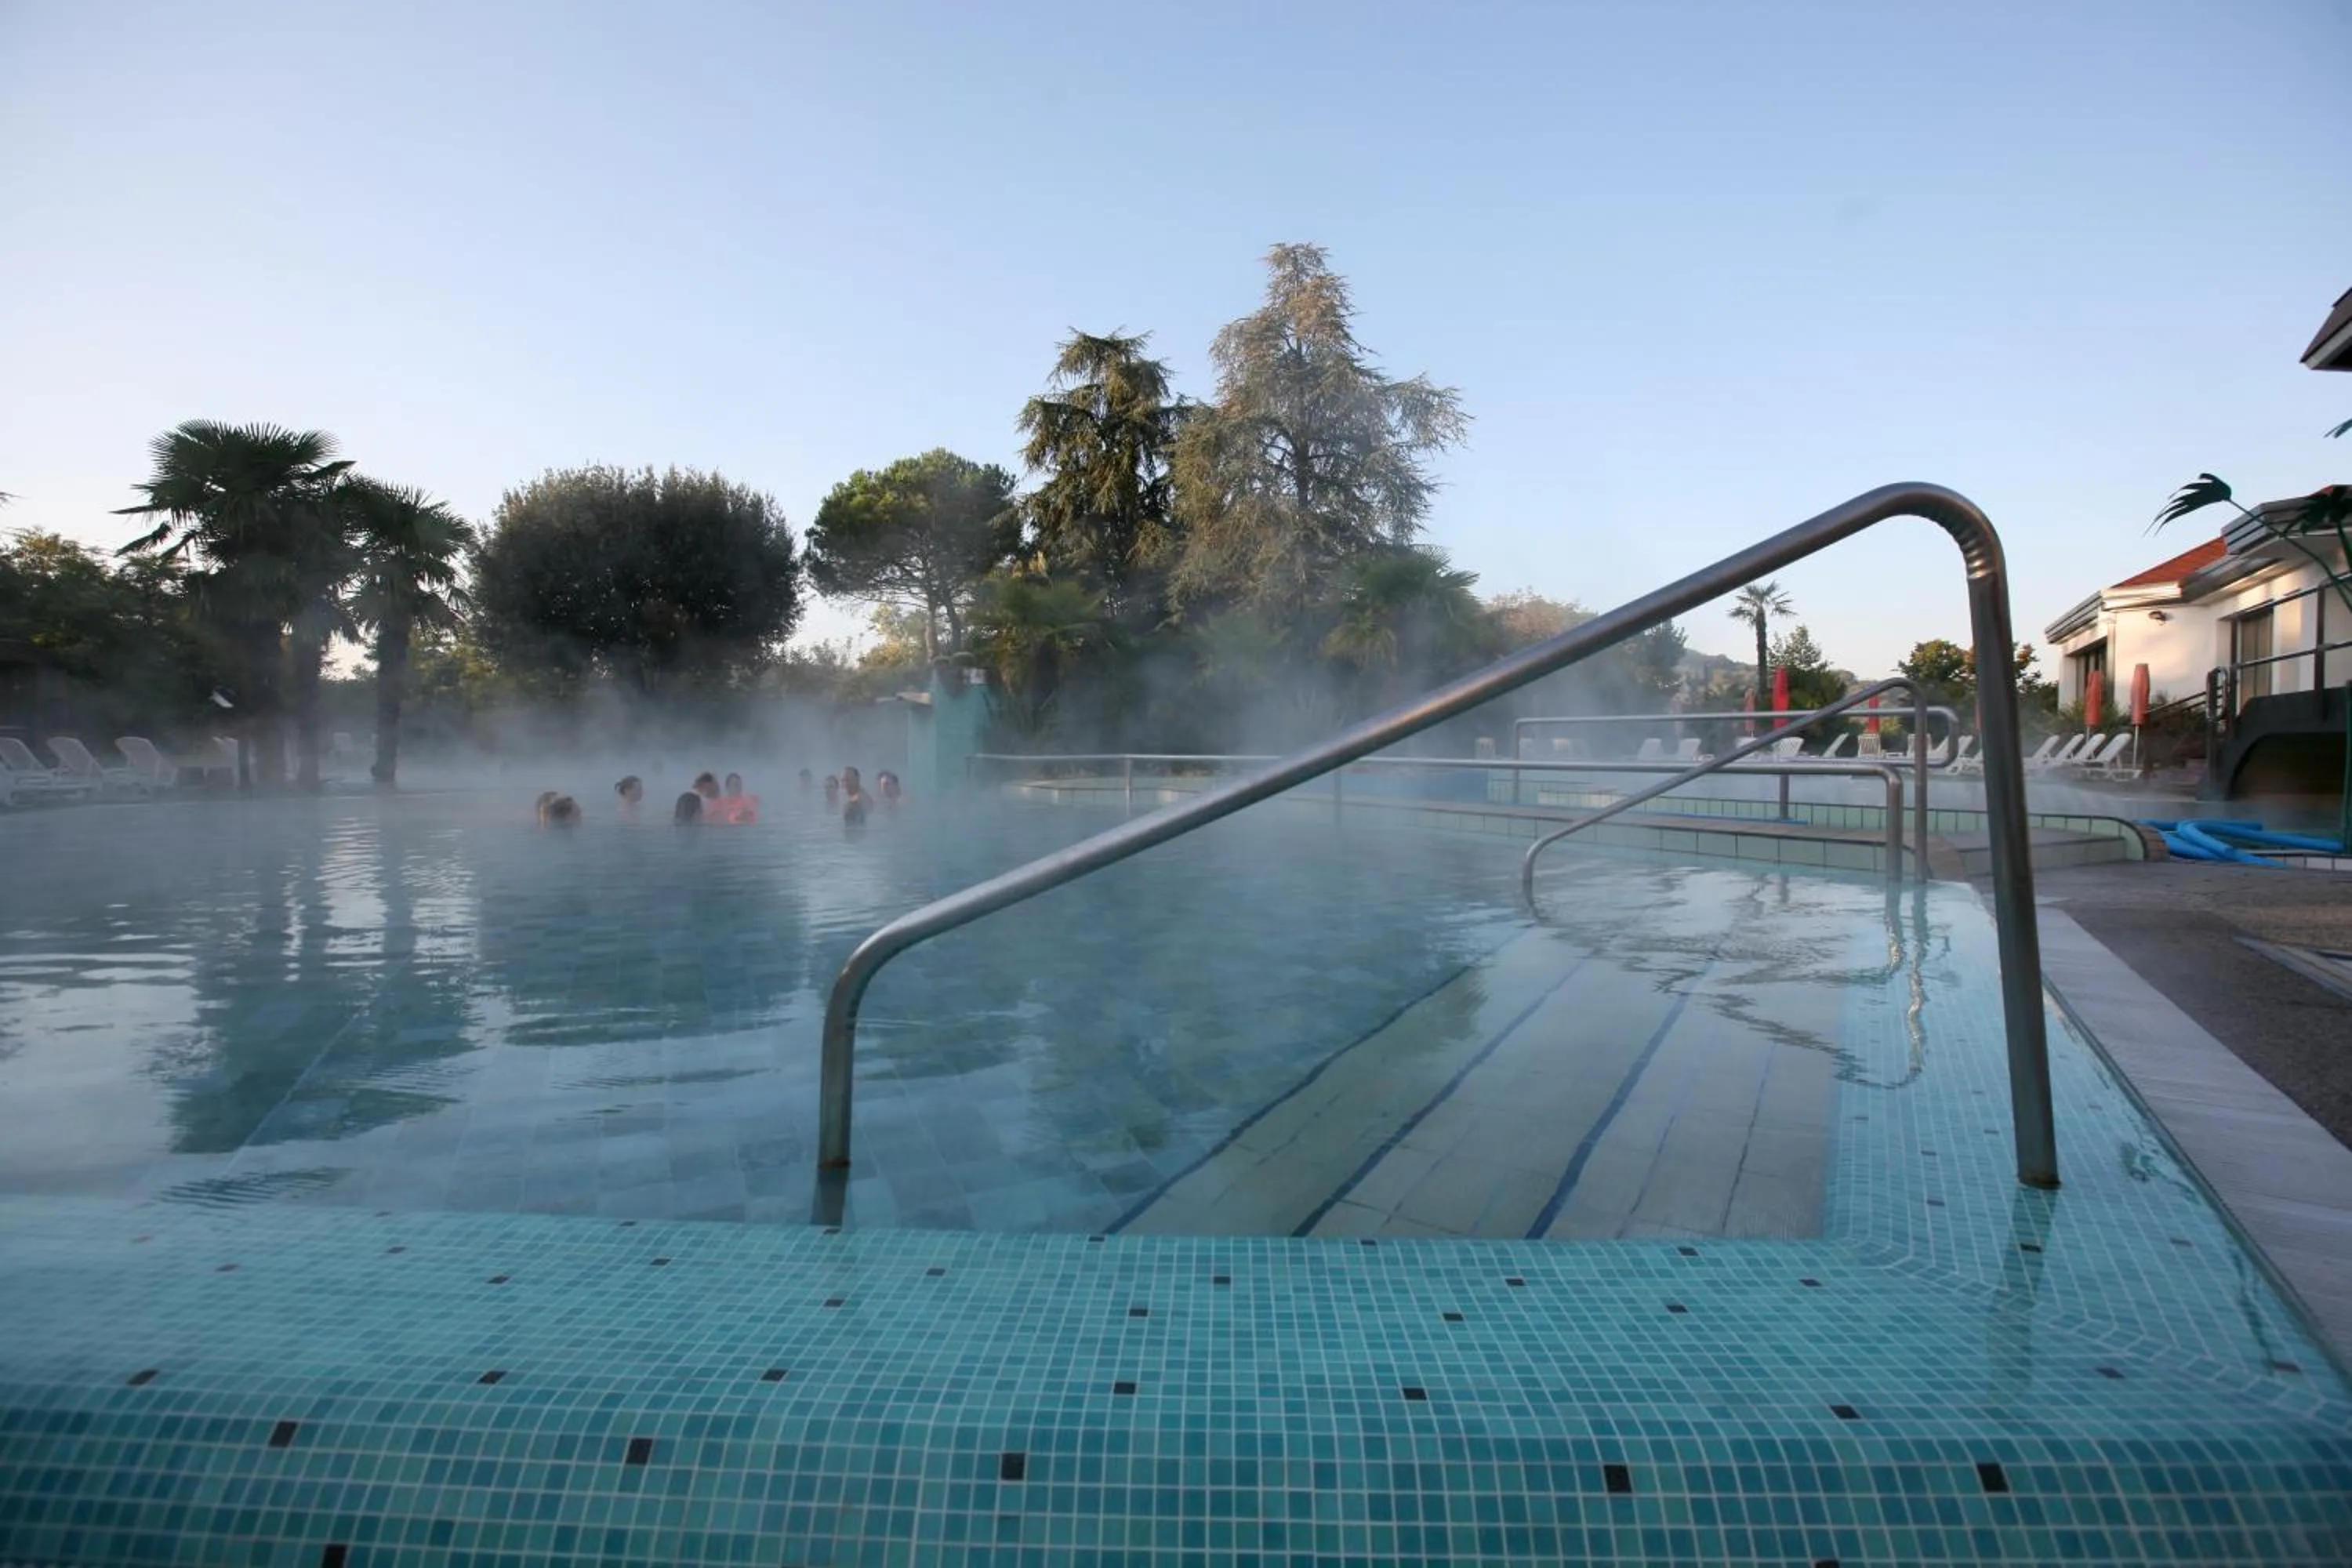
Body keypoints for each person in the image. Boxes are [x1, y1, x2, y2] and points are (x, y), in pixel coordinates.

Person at [839, 765, 869, 829]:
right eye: (842, 780)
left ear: (857, 779)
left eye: (848, 780)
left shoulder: (861, 798)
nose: (845, 784)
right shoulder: (848, 798)